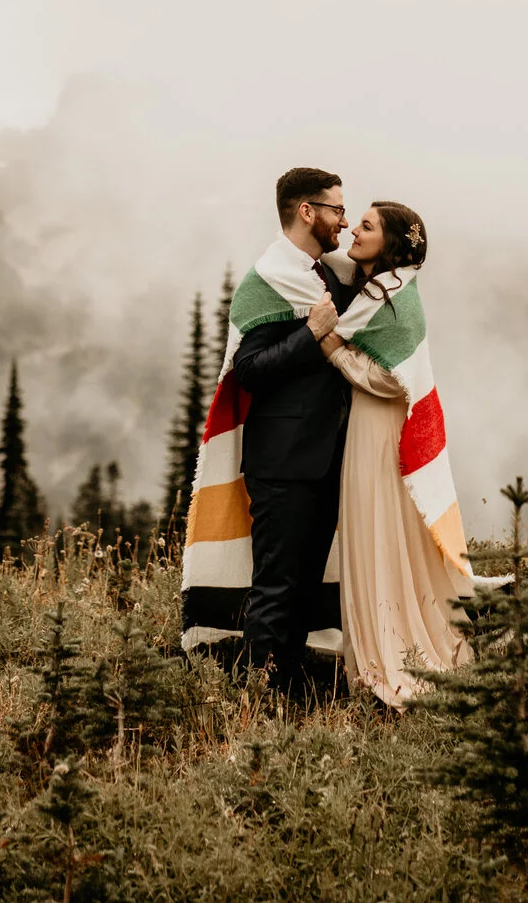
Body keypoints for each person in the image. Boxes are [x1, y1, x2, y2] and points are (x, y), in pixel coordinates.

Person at [178, 167, 357, 696]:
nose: (344, 221)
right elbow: (251, 369)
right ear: (307, 211)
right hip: (281, 462)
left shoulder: (330, 276)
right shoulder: (266, 281)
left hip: (325, 459)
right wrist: (312, 332)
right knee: (276, 587)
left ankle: (291, 692)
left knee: (304, 587)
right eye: (337, 210)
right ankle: (258, 698)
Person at [311, 201, 475, 705]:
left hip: (380, 429)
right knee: (376, 526)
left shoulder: (390, 292)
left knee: (376, 526)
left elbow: (391, 378)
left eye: (367, 226)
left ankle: (387, 656)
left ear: (392, 242)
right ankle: (387, 645)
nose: (355, 231)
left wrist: (336, 352)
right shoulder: (386, 287)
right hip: (375, 425)